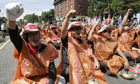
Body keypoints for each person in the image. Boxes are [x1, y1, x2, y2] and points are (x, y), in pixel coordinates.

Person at [6, 2, 65, 84]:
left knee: (61, 81)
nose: (35, 37)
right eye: (31, 35)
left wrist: (51, 82)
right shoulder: (22, 47)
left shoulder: (49, 49)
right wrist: (12, 19)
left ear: (40, 35)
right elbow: (13, 34)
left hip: (44, 78)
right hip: (26, 80)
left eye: (36, 33)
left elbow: (52, 69)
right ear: (26, 38)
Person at [60, 9, 107, 84]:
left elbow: (89, 51)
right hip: (70, 66)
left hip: (83, 63)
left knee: (98, 67)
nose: (79, 30)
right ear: (70, 31)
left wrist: (95, 61)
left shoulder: (82, 41)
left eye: (79, 28)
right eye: (76, 29)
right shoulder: (67, 40)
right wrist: (68, 16)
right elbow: (63, 31)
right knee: (74, 75)